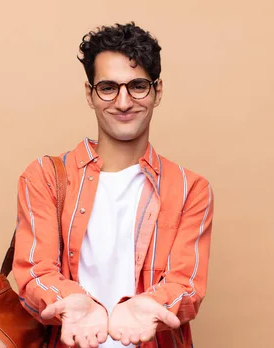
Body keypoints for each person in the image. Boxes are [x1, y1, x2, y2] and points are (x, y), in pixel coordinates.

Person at [12, 22, 214, 348]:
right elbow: (35, 272)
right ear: (90, 94)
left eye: (137, 86)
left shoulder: (191, 189)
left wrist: (151, 306)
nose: (122, 102)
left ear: (157, 91)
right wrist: (74, 302)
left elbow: (186, 283)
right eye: (108, 87)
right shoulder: (45, 178)